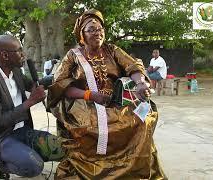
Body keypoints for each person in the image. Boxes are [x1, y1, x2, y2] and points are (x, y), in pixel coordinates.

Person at [47, 9, 167, 179]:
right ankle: (95, 168)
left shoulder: (112, 50)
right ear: (82, 34)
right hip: (85, 100)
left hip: (116, 99)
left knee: (142, 118)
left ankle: (133, 168)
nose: (98, 33)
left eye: (100, 29)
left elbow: (132, 66)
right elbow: (60, 85)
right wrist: (90, 95)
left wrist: (140, 83)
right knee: (88, 125)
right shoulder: (73, 56)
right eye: (92, 29)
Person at [0, 35, 64, 179]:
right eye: (19, 51)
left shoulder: (15, 71)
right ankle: (0, 164)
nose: (23, 55)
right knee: (35, 166)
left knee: (61, 149)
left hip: (22, 130)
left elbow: (33, 84)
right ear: (5, 55)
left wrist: (57, 78)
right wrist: (31, 101)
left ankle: (21, 152)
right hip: (1, 137)